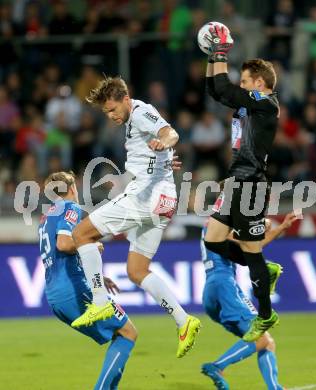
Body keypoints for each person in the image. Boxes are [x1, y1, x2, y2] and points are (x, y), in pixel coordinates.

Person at [71, 76, 201, 358]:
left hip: (146, 197)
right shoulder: (132, 121)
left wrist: (165, 142)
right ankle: (184, 320)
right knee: (137, 270)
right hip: (164, 201)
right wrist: (164, 156)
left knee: (81, 234)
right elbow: (155, 150)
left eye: (113, 109)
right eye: (106, 112)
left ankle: (100, 300)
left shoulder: (140, 112)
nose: (111, 116)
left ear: (125, 100)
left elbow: (170, 132)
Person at [203, 24, 281, 342]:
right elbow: (215, 89)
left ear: (259, 84)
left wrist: (221, 50)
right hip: (237, 182)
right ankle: (264, 267)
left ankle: (264, 315)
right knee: (213, 240)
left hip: (251, 186)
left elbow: (223, 89)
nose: (241, 85)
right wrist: (213, 56)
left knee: (249, 250)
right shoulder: (250, 105)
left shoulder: (266, 103)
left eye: (246, 81)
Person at [38, 171, 137, 389]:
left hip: (55, 295)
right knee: (128, 333)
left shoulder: (46, 218)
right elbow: (63, 245)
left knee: (122, 333)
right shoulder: (70, 208)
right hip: (73, 289)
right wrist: (90, 245)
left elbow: (59, 257)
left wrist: (97, 276)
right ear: (72, 188)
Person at [201, 212, 298, 390]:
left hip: (211, 289)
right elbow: (248, 243)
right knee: (261, 338)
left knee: (266, 341)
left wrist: (281, 227)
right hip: (225, 285)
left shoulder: (214, 222)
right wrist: (263, 224)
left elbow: (252, 245)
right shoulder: (224, 219)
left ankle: (274, 387)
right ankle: (217, 366)